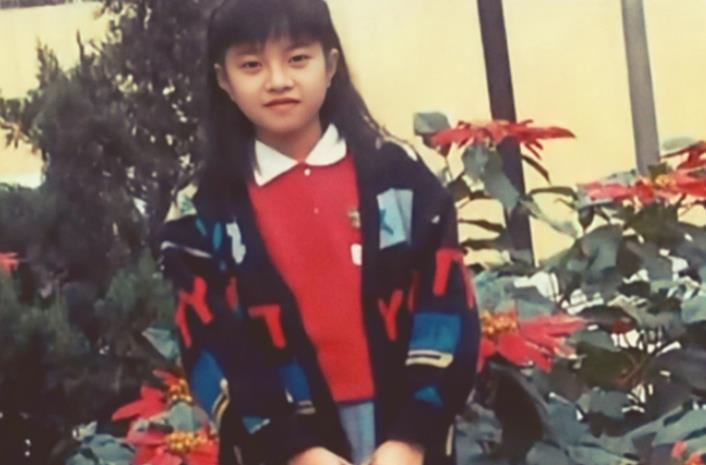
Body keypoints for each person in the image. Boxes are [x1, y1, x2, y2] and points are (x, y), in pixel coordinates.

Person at [158, 0, 480, 464]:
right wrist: (296, 451)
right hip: (278, 447)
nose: (278, 80)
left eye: (297, 58)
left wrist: (411, 437)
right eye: (252, 65)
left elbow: (447, 307)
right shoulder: (201, 213)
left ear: (330, 66)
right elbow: (212, 345)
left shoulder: (401, 181)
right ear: (223, 80)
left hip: (402, 440)